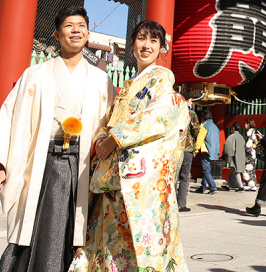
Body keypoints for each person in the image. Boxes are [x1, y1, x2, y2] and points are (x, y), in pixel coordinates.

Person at [0, 6, 113, 272]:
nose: (75, 30)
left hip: (84, 165)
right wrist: (1, 165)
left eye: (81, 26)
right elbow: (10, 117)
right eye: (68, 25)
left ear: (88, 34)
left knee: (79, 228)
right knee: (34, 223)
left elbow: (111, 126)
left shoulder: (102, 79)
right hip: (41, 162)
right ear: (56, 34)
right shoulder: (35, 74)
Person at [70, 19, 190, 272]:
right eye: (141, 39)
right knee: (110, 238)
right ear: (132, 44)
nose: (146, 46)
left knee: (136, 237)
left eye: (153, 41)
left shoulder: (162, 79)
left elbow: (161, 115)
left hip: (139, 178)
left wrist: (116, 138)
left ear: (161, 49)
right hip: (114, 172)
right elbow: (111, 119)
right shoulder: (129, 84)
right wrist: (102, 139)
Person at [177, 93, 200, 212]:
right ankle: (181, 203)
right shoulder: (191, 114)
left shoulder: (175, 112)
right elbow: (196, 129)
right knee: (184, 177)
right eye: (190, 101)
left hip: (174, 147)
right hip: (187, 147)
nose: (191, 103)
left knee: (172, 176)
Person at [194, 109, 220, 194]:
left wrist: (196, 149)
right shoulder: (215, 126)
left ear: (203, 118)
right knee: (208, 170)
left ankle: (213, 187)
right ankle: (203, 186)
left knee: (206, 170)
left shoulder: (204, 126)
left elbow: (200, 138)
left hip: (206, 150)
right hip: (214, 151)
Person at [222, 122, 246, 191]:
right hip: (240, 156)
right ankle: (229, 185)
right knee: (233, 171)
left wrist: (227, 156)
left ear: (233, 128)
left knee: (235, 171)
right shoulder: (241, 137)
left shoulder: (231, 137)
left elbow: (228, 148)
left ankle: (241, 186)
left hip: (234, 157)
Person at [243, 118, 262, 191]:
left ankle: (248, 184)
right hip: (254, 153)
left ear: (248, 124)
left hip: (250, 153)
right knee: (252, 170)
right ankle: (253, 184)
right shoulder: (254, 132)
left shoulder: (249, 133)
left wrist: (246, 150)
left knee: (247, 169)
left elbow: (248, 144)